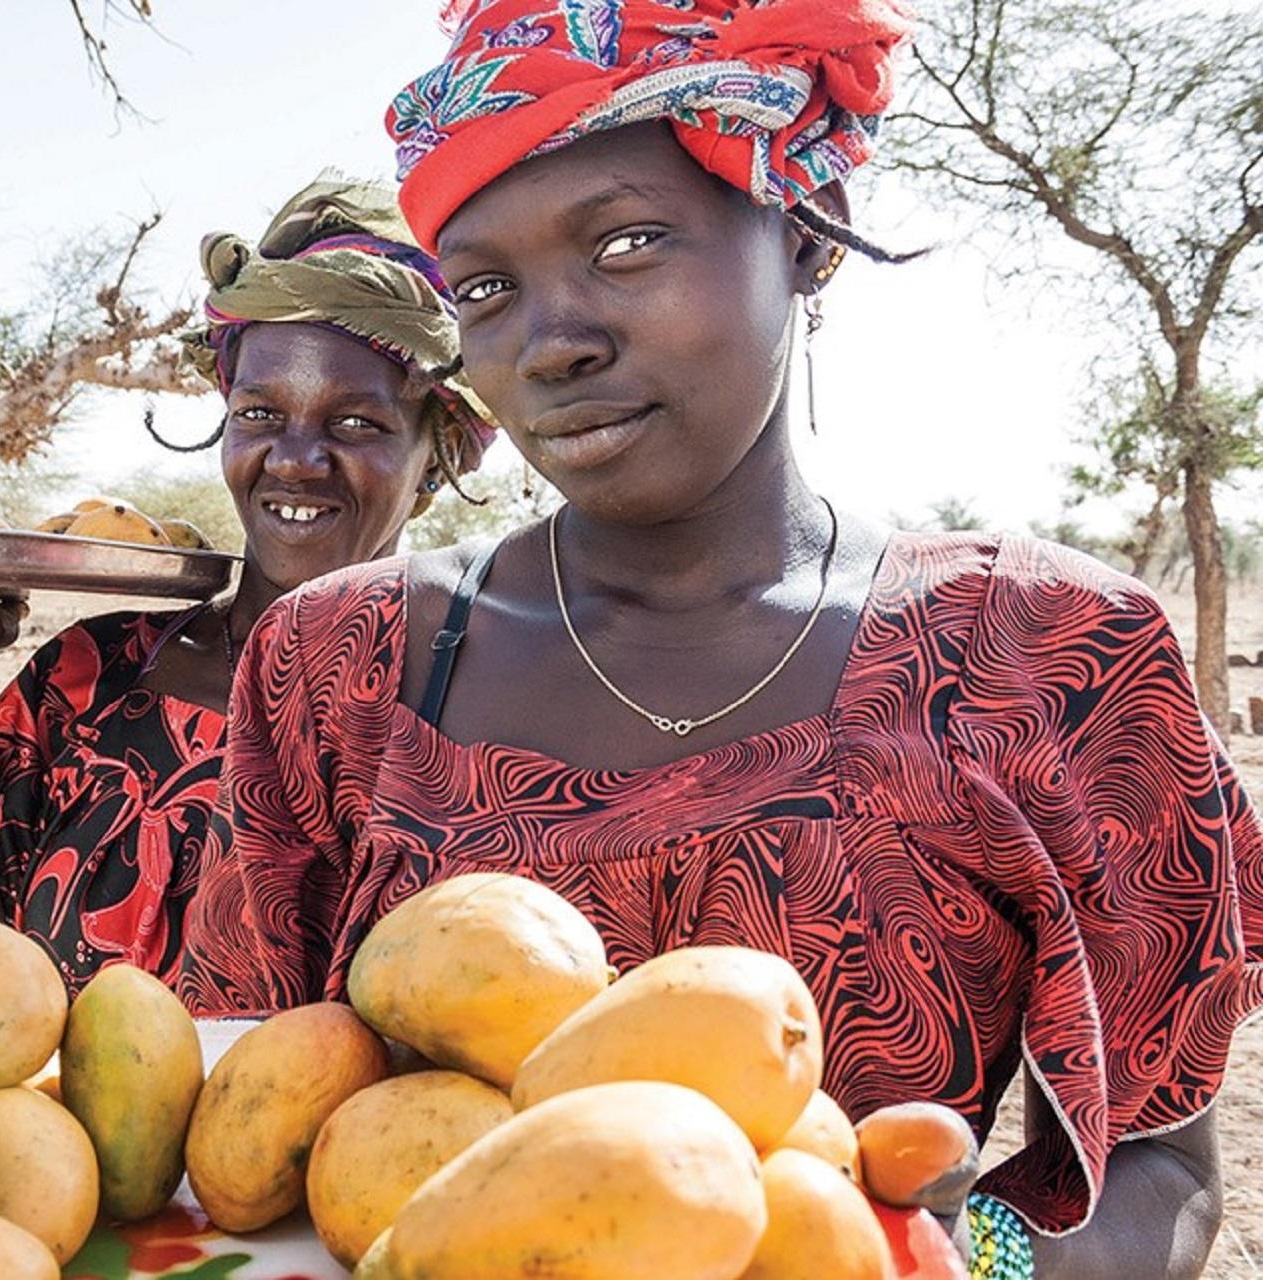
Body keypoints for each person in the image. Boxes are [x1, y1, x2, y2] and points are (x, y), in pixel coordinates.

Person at [179, 4, 1261, 1277]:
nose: (552, 339)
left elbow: (1153, 1162)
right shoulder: (344, 664)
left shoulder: (1052, 657)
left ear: (802, 236)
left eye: (628, 243)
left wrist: (969, 1261)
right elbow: (248, 1126)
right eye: (485, 286)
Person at [0, 177, 493, 994]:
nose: (294, 459)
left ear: (439, 455)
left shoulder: (468, 713)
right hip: (41, 1124)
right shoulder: (96, 677)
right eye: (259, 414)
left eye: (355, 423)